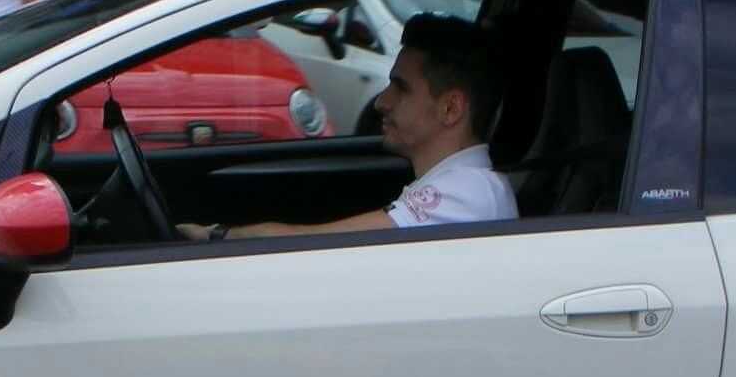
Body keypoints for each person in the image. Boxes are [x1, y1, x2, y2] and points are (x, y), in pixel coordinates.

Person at [178, 14, 516, 241]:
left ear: (451, 109)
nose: (382, 102)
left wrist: (218, 236)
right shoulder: (464, 188)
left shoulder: (469, 194)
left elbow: (324, 242)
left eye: (401, 88)